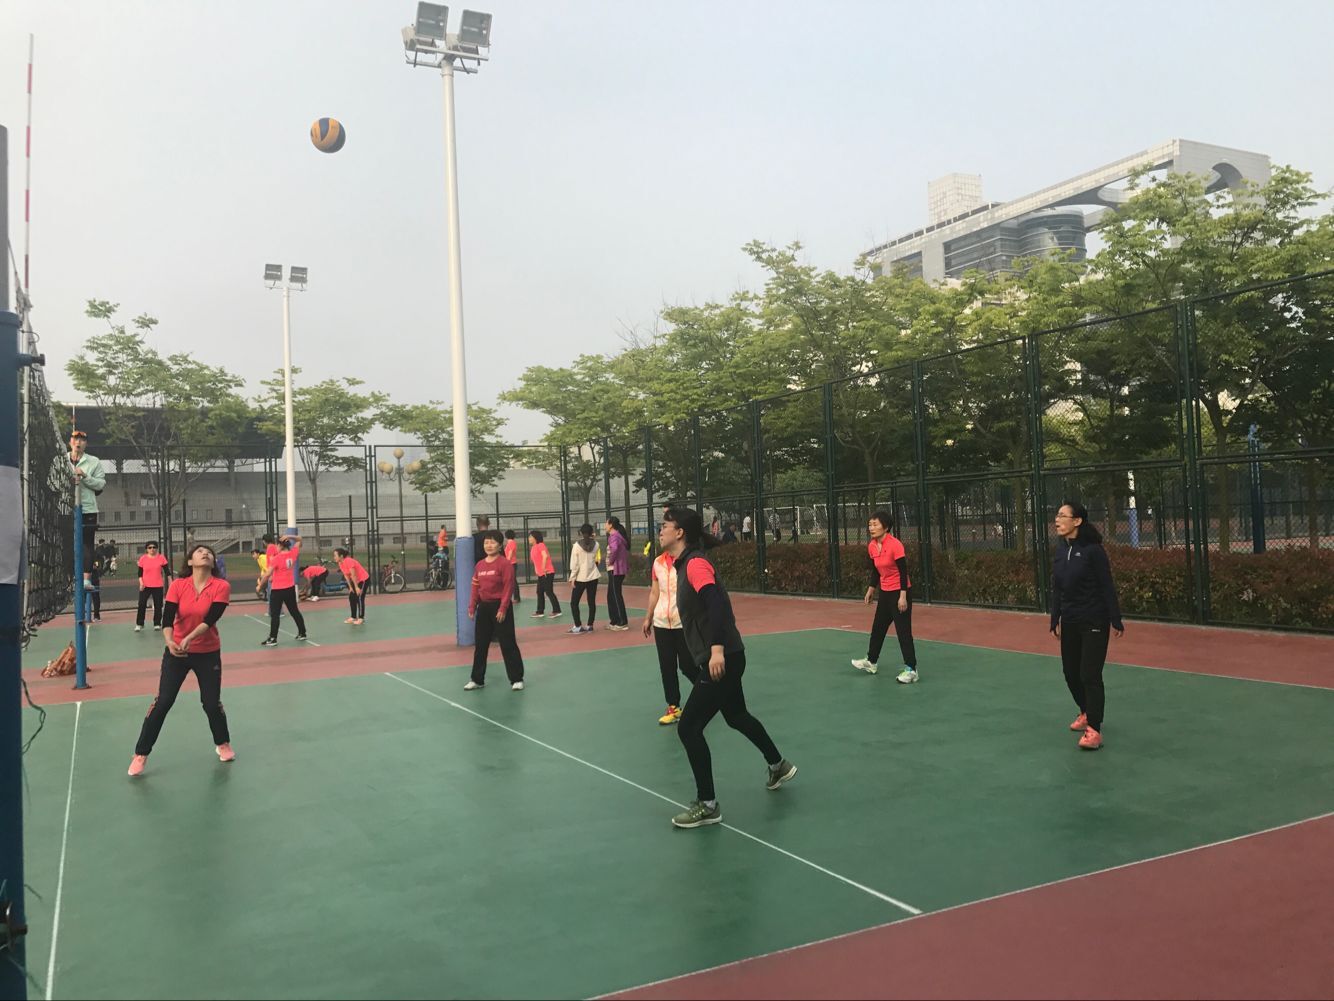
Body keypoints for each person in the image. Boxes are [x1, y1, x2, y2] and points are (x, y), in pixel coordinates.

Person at [659, 507, 796, 829]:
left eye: (665, 525)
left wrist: (716, 649)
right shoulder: (684, 564)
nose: (660, 530)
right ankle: (777, 764)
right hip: (727, 655)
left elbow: (717, 604)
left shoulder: (695, 564)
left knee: (688, 727)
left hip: (722, 658)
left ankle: (707, 805)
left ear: (680, 532)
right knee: (735, 715)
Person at [127, 544, 234, 776]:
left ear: (213, 562)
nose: (205, 554)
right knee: (163, 701)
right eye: (200, 552)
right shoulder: (178, 585)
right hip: (176, 653)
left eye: (209, 553)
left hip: (207, 652)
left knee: (211, 703)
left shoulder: (221, 586)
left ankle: (223, 743)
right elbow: (167, 619)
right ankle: (140, 754)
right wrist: (170, 641)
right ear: (190, 561)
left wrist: (189, 637)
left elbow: (211, 619)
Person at [1051, 501, 1125, 751]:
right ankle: (1085, 711)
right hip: (1070, 621)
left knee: (1089, 675)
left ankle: (1094, 729)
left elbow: (1106, 585)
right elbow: (1057, 588)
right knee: (1070, 673)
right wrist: (1055, 618)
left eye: (1063, 515)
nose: (1057, 519)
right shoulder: (1061, 551)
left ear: (1077, 521)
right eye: (1057, 515)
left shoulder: (1093, 551)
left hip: (1094, 620)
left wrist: (1115, 618)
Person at [851, 511, 919, 684]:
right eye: (870, 524)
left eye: (875, 524)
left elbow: (903, 572)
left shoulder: (895, 545)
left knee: (903, 632)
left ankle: (911, 670)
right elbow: (876, 570)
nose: (871, 528)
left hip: (900, 592)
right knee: (878, 628)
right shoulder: (872, 546)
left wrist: (903, 596)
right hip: (885, 593)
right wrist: (871, 589)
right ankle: (871, 662)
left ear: (886, 527)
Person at [640, 536, 694, 726]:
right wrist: (648, 617)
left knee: (688, 665)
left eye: (665, 530)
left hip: (683, 622)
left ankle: (708, 693)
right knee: (667, 666)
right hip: (661, 623)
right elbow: (655, 592)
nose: (661, 536)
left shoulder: (688, 561)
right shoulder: (658, 563)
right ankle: (673, 706)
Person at [465, 531, 525, 691]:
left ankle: (516, 679)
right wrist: (472, 606)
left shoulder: (504, 564)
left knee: (507, 643)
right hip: (484, 608)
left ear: (499, 546)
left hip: (500, 607)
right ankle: (477, 679)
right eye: (486, 543)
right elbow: (475, 587)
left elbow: (508, 587)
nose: (489, 545)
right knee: (481, 645)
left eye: (492, 542)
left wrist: (503, 608)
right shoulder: (479, 565)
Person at [68, 430, 106, 583]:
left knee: (87, 544)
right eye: (75, 439)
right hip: (66, 509)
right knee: (66, 544)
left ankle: (86, 579)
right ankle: (69, 579)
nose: (78, 442)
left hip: (88, 509)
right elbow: (52, 483)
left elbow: (100, 484)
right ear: (70, 442)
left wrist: (84, 476)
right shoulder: (60, 459)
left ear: (86, 444)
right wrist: (67, 480)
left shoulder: (94, 461)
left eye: (82, 440)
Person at [258, 532, 307, 646]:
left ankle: (273, 638)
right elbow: (300, 539)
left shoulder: (277, 558)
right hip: (290, 589)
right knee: (294, 611)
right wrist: (290, 536)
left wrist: (260, 586)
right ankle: (302, 632)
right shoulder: (293, 554)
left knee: (275, 615)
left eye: (277, 545)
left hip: (278, 590)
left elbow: (267, 574)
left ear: (280, 546)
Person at [567, 523, 601, 634]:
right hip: (593, 576)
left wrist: (572, 577)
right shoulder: (596, 544)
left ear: (581, 533)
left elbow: (575, 564)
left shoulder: (576, 546)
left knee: (574, 603)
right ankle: (590, 625)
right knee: (591, 602)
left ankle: (578, 626)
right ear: (592, 533)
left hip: (580, 577)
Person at [135, 541, 170, 632]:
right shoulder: (143, 558)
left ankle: (157, 623)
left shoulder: (161, 558)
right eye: (150, 547)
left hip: (158, 585)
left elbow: (167, 572)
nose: (152, 549)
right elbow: (140, 573)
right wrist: (141, 583)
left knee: (158, 605)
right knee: (141, 604)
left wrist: (171, 582)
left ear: (157, 548)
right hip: (145, 586)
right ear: (147, 549)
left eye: (154, 547)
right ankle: (139, 624)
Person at [604, 517, 630, 631]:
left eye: (606, 523)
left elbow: (614, 550)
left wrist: (611, 561)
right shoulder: (617, 536)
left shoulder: (614, 536)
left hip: (615, 570)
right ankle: (614, 620)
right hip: (615, 569)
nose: (605, 525)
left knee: (615, 595)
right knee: (611, 595)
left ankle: (622, 622)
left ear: (611, 525)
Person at [528, 530, 561, 618]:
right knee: (539, 592)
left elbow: (545, 556)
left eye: (531, 537)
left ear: (535, 538)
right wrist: (537, 570)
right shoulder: (533, 548)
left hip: (547, 572)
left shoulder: (541, 545)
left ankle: (557, 611)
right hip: (541, 574)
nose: (529, 538)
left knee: (549, 591)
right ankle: (540, 611)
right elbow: (536, 561)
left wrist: (543, 568)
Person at [334, 547, 369, 625]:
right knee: (351, 596)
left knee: (359, 597)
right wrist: (350, 587)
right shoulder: (340, 563)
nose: (334, 557)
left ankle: (361, 618)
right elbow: (346, 575)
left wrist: (356, 587)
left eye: (335, 555)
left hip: (363, 579)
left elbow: (353, 575)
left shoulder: (348, 561)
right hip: (355, 580)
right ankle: (353, 617)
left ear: (341, 556)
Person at [503, 529, 521, 604]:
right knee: (511, 581)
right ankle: (511, 597)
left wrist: (506, 563)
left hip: (511, 564)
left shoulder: (511, 543)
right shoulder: (509, 543)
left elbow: (510, 555)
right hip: (510, 564)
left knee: (513, 581)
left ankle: (516, 598)